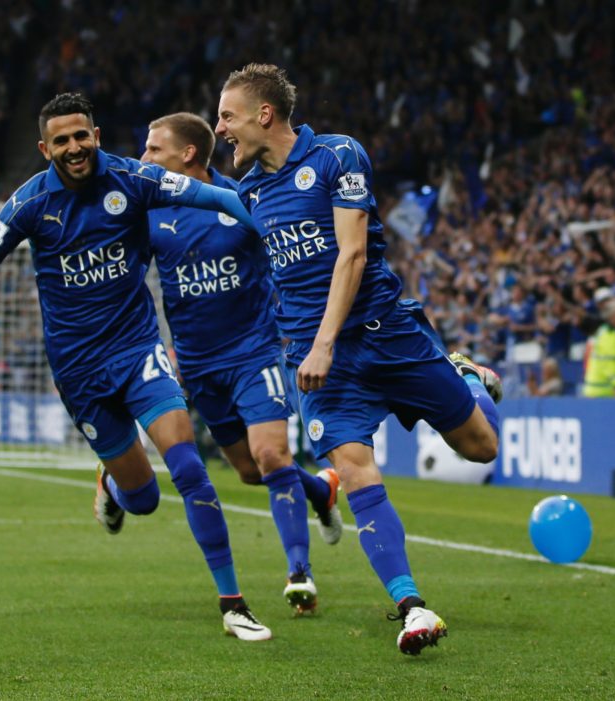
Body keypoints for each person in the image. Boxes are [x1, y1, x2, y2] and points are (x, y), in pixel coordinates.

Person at [0, 92, 272, 641]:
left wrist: (273, 229)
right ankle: (114, 484)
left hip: (137, 351)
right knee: (146, 498)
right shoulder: (30, 203)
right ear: (44, 148)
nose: (74, 147)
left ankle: (233, 604)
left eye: (81, 135)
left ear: (97, 135)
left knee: (187, 465)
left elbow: (211, 196)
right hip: (79, 371)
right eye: (61, 140)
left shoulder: (134, 179)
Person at [215, 63, 503, 655]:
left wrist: (323, 341)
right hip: (317, 359)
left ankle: (467, 378)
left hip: (384, 334)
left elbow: (350, 255)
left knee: (481, 448)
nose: (221, 128)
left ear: (263, 115)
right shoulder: (248, 190)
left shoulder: (338, 156)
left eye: (227, 116)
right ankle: (412, 605)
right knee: (351, 466)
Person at [140, 112, 344, 615]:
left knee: (272, 456)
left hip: (254, 352)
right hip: (198, 364)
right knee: (252, 473)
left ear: (189, 154)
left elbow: (291, 253)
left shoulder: (243, 199)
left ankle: (300, 572)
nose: (144, 160)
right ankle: (321, 490)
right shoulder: (150, 211)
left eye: (153, 150)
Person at [583, 297, 615, 397]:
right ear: (613, 316)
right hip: (602, 390)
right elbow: (609, 363)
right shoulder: (609, 335)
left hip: (600, 388)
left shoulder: (605, 331)